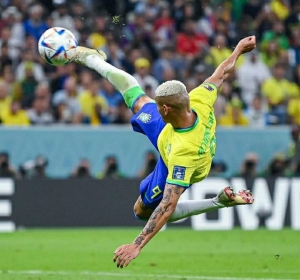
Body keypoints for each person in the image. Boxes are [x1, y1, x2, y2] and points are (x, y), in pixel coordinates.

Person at [72, 36, 256, 268]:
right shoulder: (199, 99)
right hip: (170, 130)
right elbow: (221, 74)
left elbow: (168, 206)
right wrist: (238, 50)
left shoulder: (183, 155)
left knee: (141, 210)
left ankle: (217, 202)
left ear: (166, 108)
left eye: (158, 105)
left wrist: (137, 244)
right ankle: (93, 59)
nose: (155, 107)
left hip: (179, 156)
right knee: (136, 98)